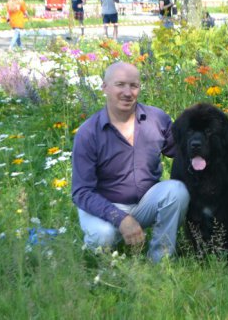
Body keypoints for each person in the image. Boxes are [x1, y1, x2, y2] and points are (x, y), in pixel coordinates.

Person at [71, 62, 189, 262]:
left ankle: (161, 259)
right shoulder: (88, 133)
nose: (127, 92)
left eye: (133, 85)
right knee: (103, 236)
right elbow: (81, 192)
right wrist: (121, 219)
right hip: (105, 207)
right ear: (104, 87)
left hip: (145, 203)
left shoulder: (157, 119)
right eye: (120, 85)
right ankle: (105, 265)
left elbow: (181, 152)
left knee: (176, 191)